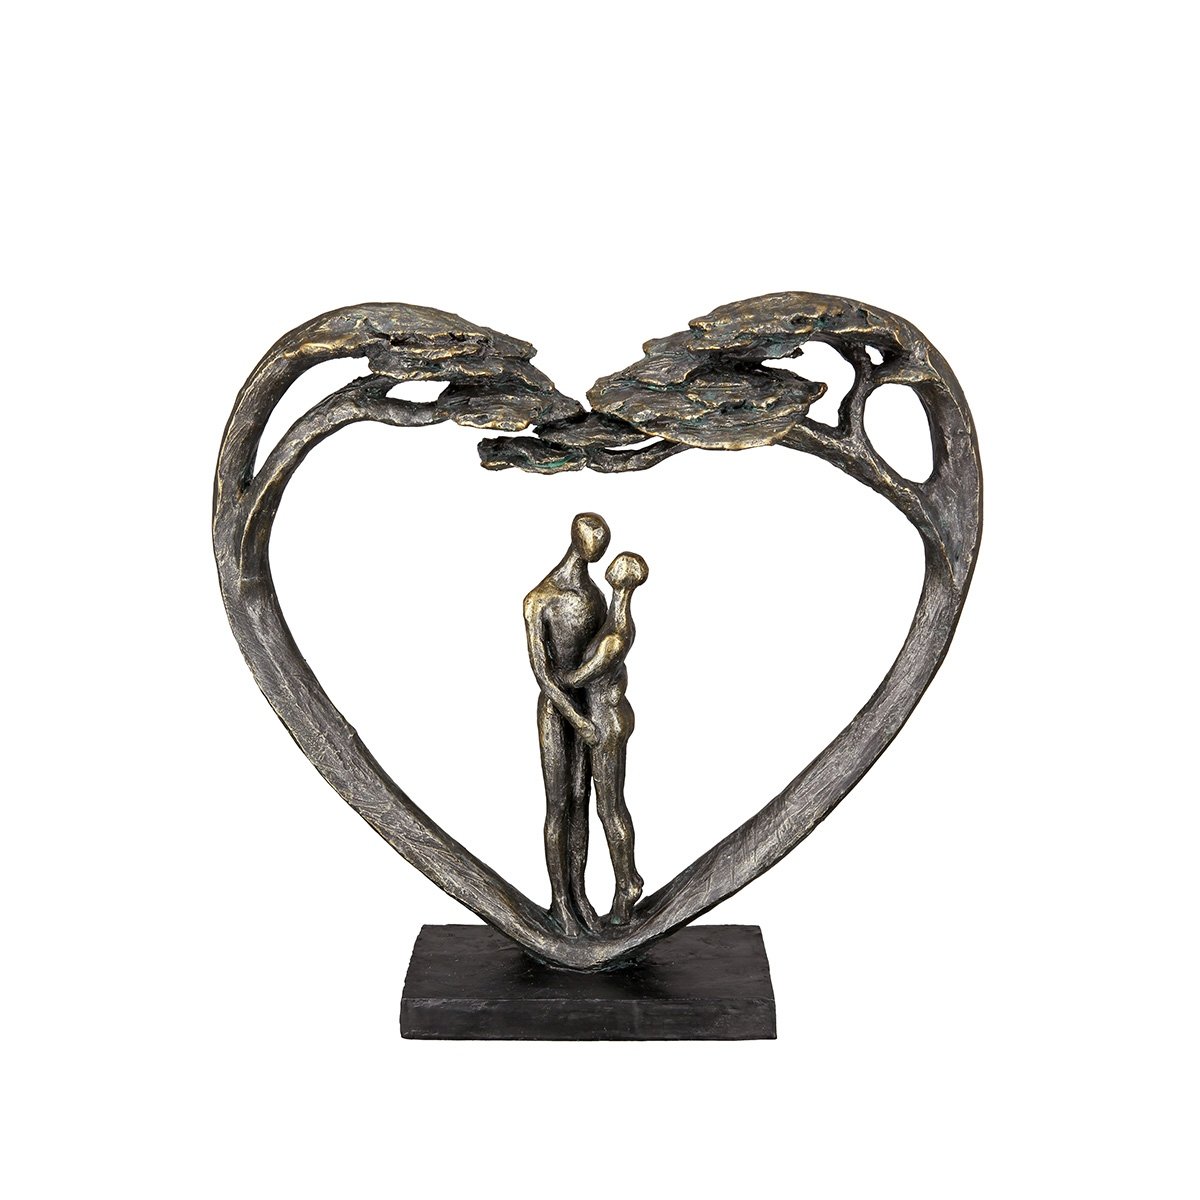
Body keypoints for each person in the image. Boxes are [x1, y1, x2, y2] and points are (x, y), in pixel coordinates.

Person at [523, 513, 609, 936]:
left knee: (582, 798)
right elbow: (542, 673)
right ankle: (560, 901)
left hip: (587, 708)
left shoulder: (595, 596)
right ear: (578, 540)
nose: (600, 547)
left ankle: (580, 895)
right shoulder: (540, 599)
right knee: (558, 805)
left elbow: (602, 658)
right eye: (596, 539)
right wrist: (577, 719)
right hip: (558, 712)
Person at [561, 551, 648, 925]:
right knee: (608, 806)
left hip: (606, 723)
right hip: (607, 717)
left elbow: (577, 678)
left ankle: (627, 884)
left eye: (617, 566)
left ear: (620, 579)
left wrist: (553, 678)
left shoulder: (614, 637)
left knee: (610, 808)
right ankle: (625, 883)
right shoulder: (615, 620)